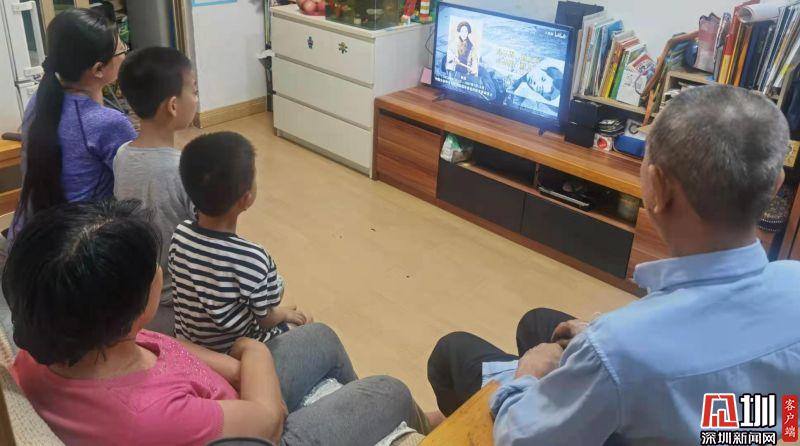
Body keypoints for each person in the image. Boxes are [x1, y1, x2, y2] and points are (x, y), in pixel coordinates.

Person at [427, 85, 800, 444]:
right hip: (723, 431)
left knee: (452, 352)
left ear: (657, 187)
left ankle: (454, 426)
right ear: (775, 184)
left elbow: (520, 439)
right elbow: (788, 418)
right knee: (538, 322)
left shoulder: (618, 349)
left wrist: (528, 376)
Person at [4, 200, 426, 446]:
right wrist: (253, 351)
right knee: (389, 390)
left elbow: (164, 346)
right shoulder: (147, 415)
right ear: (130, 309)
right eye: (154, 268)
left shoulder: (54, 338)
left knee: (319, 337)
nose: (160, 271)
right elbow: (268, 421)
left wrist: (238, 369)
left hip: (223, 399)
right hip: (261, 434)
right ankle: (423, 426)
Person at [170, 132, 309, 353]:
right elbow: (265, 320)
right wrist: (282, 313)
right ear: (246, 199)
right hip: (232, 352)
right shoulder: (252, 258)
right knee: (305, 321)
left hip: (191, 345)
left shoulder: (179, 234)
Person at [10, 8, 134, 241]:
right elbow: (136, 190)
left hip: (28, 238)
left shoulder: (39, 101)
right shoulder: (109, 123)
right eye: (121, 50)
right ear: (98, 69)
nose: (125, 55)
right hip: (77, 247)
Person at [114, 47, 198, 335]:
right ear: (173, 106)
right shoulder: (184, 170)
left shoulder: (122, 155)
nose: (196, 99)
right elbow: (209, 241)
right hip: (182, 308)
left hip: (140, 299)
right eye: (194, 91)